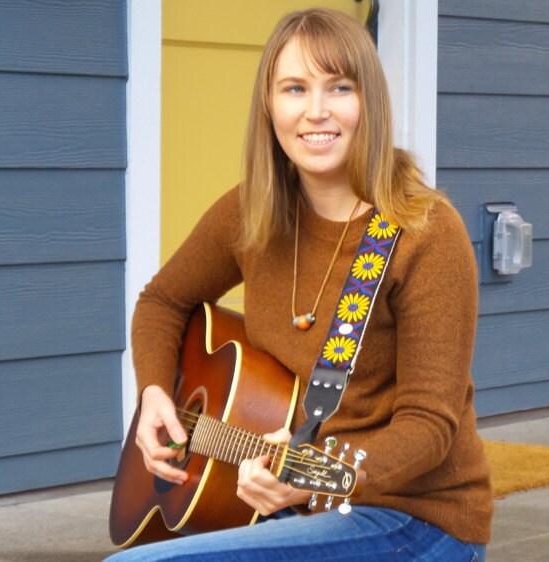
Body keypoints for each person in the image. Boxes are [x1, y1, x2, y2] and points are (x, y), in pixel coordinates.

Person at [106, 8, 493, 561]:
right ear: (270, 105)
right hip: (297, 507)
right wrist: (153, 397)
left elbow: (429, 427)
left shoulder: (422, 233)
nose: (316, 111)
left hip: (413, 519)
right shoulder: (253, 213)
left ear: (369, 103)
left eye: (339, 87)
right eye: (294, 88)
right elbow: (163, 300)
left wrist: (318, 474)